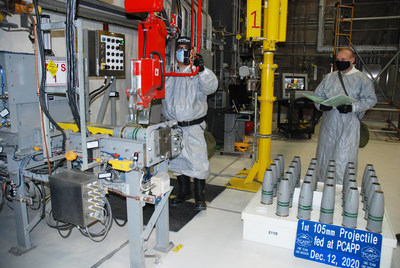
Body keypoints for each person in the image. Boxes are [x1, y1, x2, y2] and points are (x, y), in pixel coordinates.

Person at [162, 36, 218, 210]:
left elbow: (211, 87)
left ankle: (199, 197)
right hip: (173, 125)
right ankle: (184, 192)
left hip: (193, 126)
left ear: (191, 51)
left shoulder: (198, 73)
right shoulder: (168, 71)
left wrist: (202, 70)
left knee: (198, 161)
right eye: (179, 48)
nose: (182, 52)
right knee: (178, 161)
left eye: (185, 49)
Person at [314, 48, 377, 184]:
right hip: (329, 125)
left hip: (349, 125)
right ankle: (322, 187)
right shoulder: (329, 78)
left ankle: (341, 190)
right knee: (325, 157)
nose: (340, 62)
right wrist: (321, 105)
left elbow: (370, 99)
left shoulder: (362, 79)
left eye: (343, 60)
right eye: (338, 60)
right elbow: (318, 96)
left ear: (352, 60)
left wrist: (353, 107)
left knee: (344, 158)